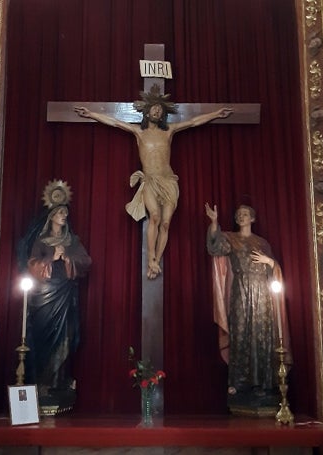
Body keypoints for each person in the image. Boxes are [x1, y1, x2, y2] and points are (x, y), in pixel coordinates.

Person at [75, 85, 232, 279]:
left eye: (160, 109)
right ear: (147, 113)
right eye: (154, 109)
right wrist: (91, 114)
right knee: (155, 217)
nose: (157, 111)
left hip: (168, 181)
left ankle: (156, 260)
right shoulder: (138, 132)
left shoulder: (169, 131)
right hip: (149, 180)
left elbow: (193, 122)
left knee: (165, 224)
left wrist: (216, 113)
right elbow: (113, 122)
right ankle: (150, 259)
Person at [205, 202, 290, 414]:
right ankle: (241, 386)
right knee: (241, 335)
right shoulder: (230, 239)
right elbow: (214, 247)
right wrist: (214, 222)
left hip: (262, 292)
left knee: (262, 335)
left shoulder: (262, 243)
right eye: (239, 214)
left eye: (246, 214)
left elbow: (274, 268)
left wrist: (270, 262)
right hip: (241, 292)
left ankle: (265, 386)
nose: (242, 217)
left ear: (252, 219)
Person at [21, 180, 92, 413]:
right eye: (59, 212)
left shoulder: (72, 241)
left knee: (67, 336)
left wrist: (68, 259)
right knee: (45, 341)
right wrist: (51, 259)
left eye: (65, 213)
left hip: (65, 297)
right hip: (45, 297)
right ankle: (42, 384)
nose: (63, 216)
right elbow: (31, 265)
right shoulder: (41, 242)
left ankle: (59, 383)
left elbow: (86, 262)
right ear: (51, 216)